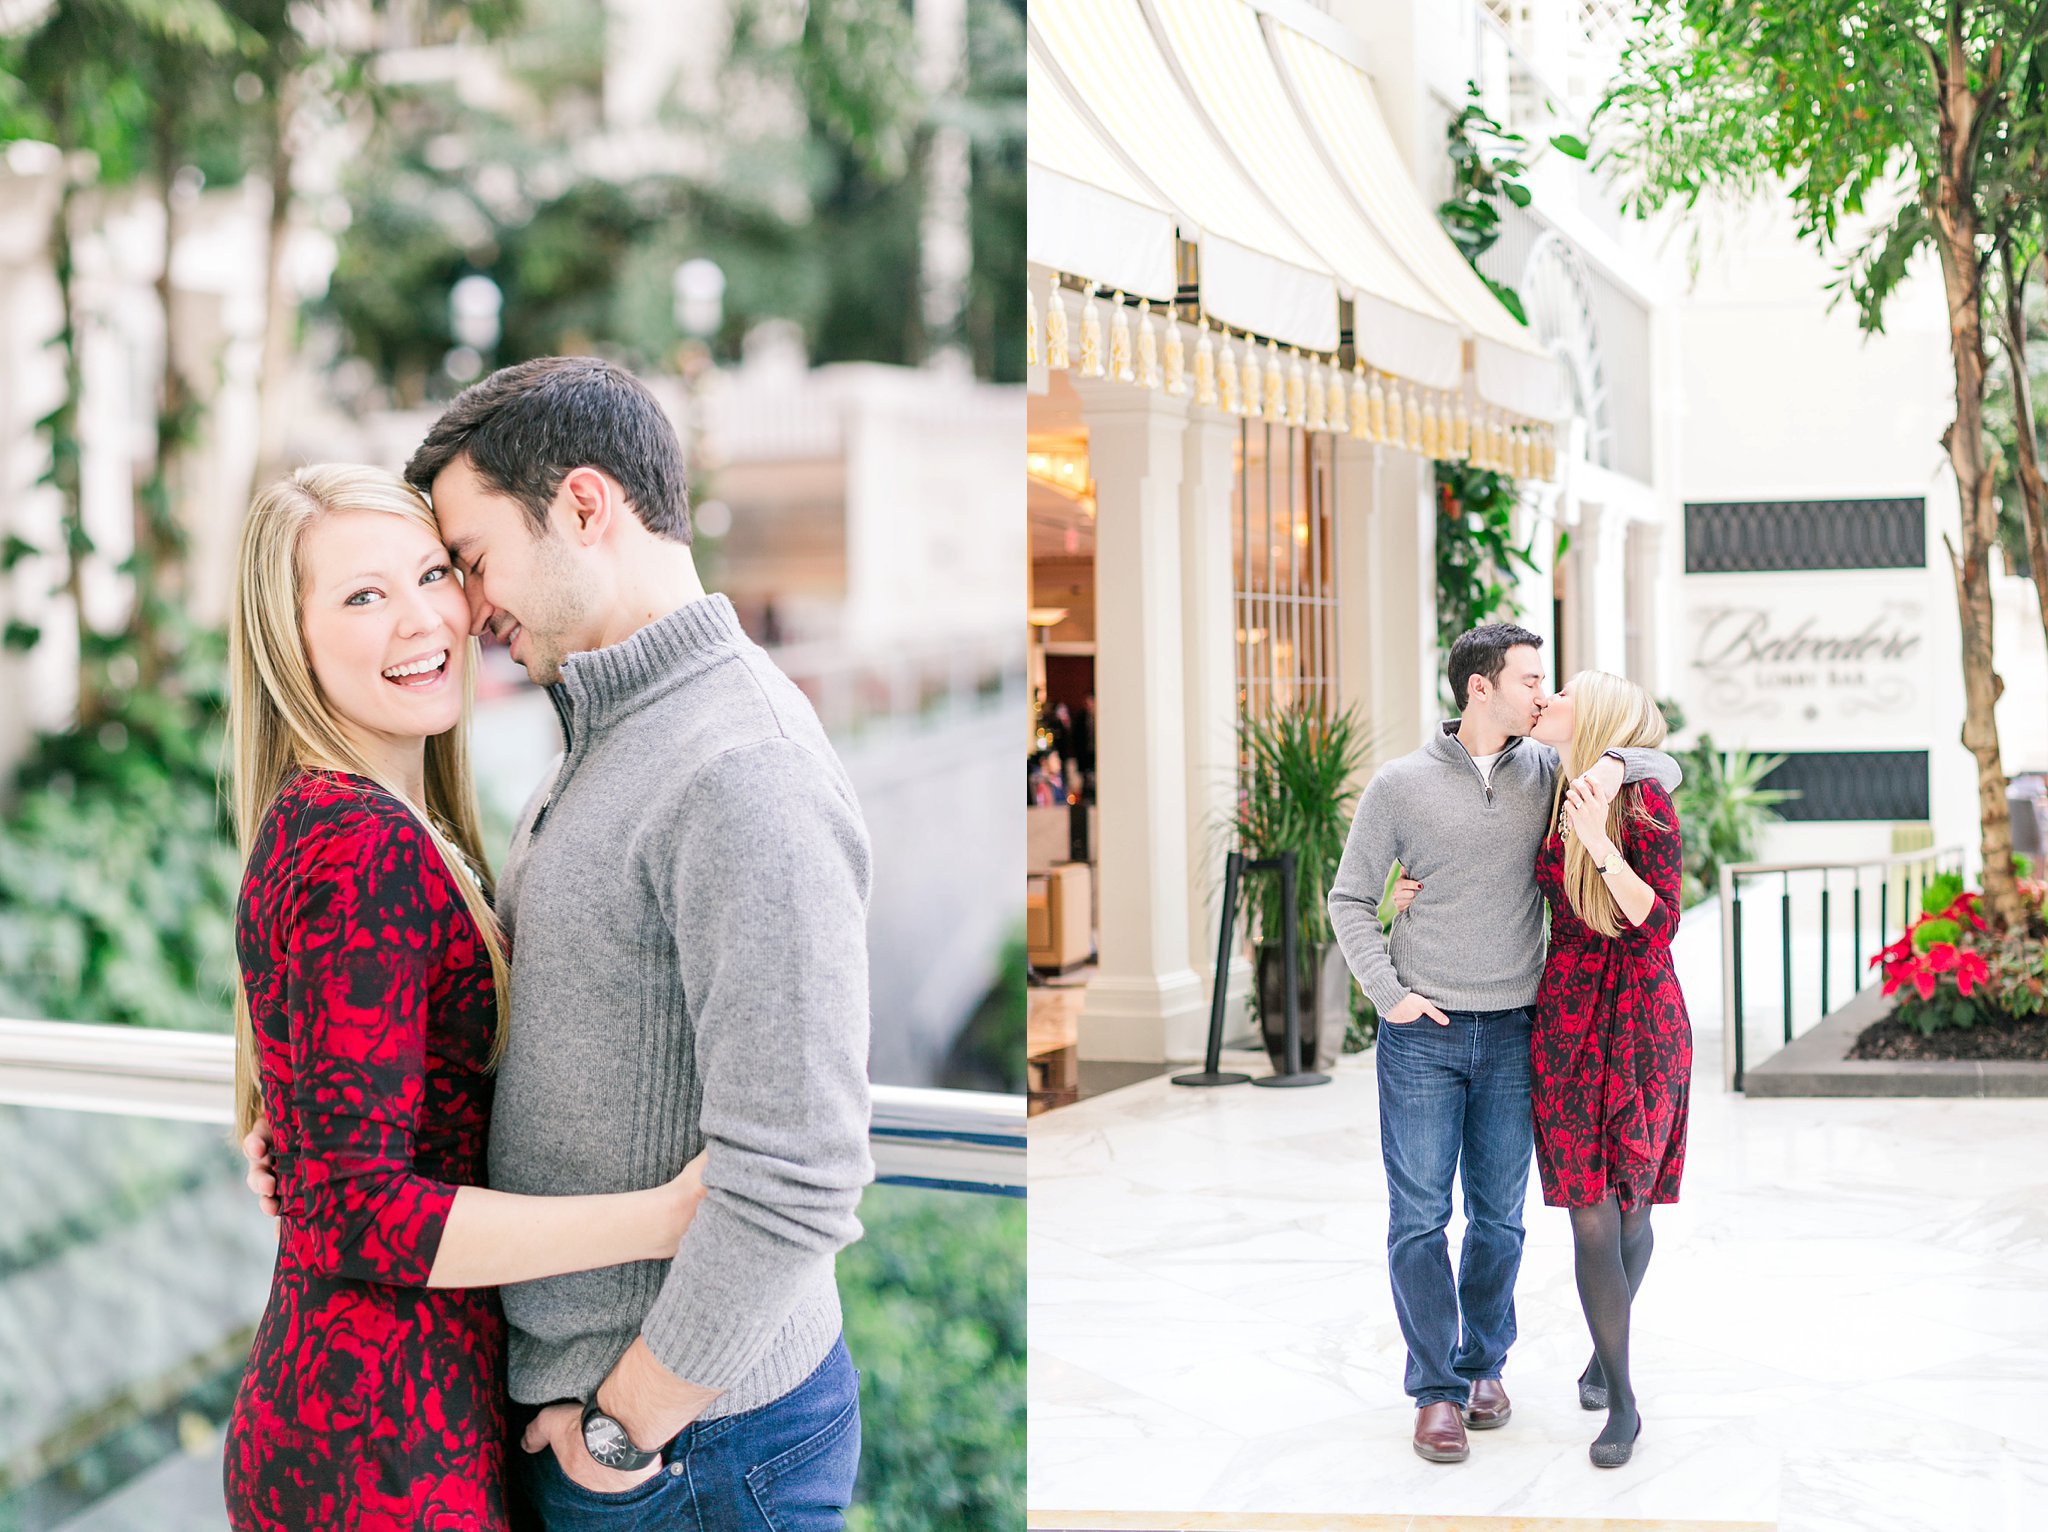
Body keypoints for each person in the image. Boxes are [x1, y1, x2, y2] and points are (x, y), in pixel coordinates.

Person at [244, 359, 876, 1529]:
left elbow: (800, 1173)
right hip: (582, 1427)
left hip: (688, 1443)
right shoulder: (603, 730)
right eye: (378, 591)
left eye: (462, 562)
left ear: (584, 507)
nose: (464, 610)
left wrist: (619, 1423)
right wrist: (318, 1135)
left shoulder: (742, 767)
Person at [222, 465, 710, 1530]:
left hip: (380, 1415)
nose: (424, 619)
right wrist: (665, 1216)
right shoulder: (361, 846)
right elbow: (363, 1210)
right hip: (380, 1450)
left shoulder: (351, 818)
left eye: (433, 571)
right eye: (362, 595)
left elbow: (343, 1153)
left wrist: (301, 1153)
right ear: (288, 640)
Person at [1326, 623, 1681, 1467]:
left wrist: (1620, 764)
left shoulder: (1550, 777)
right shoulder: (1400, 785)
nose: (1542, 693)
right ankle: (1436, 1390)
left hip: (1523, 1025)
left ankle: (1485, 1367)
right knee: (1419, 1219)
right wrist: (1392, 991)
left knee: (1500, 1221)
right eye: (1529, 679)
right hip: (1424, 1035)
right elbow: (1347, 898)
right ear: (1479, 688)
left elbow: (1659, 763)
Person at [1524, 669, 1690, 1468]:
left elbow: (1659, 925)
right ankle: (1622, 1396)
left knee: (1631, 1211)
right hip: (1566, 1016)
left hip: (1643, 1017)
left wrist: (1599, 844)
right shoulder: (1553, 788)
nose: (1546, 701)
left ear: (1592, 719)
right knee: (1588, 1212)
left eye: (1561, 695)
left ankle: (1603, 1358)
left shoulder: (1642, 804)